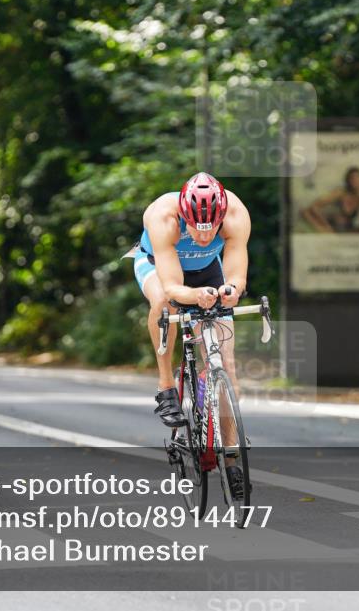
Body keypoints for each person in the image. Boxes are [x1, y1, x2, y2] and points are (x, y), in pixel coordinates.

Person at [132, 172, 251, 494]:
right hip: (158, 266)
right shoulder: (163, 216)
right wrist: (194, 297)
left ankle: (232, 459)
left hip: (207, 269)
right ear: (184, 215)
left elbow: (237, 273)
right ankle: (167, 386)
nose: (204, 234)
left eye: (211, 227)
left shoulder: (236, 214)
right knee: (164, 303)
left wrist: (231, 290)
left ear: (221, 216)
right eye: (197, 228)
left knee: (226, 363)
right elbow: (172, 286)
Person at [300, 166, 359, 233]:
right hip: (330, 224)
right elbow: (314, 206)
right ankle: (326, 231)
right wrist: (325, 225)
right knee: (305, 212)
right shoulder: (340, 192)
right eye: (352, 178)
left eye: (357, 178)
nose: (355, 181)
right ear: (347, 180)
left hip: (346, 227)